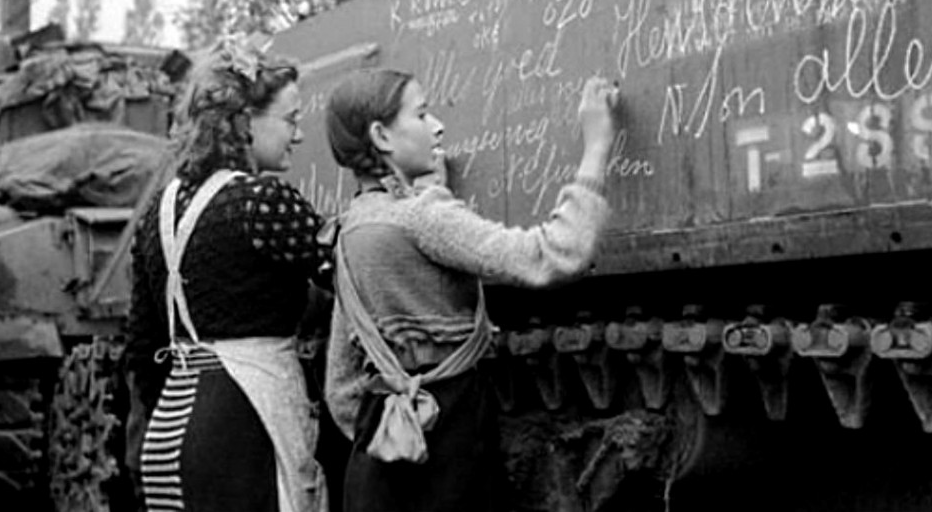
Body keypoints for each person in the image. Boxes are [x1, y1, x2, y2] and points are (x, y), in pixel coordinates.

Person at [323, 68, 619, 512]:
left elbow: (341, 388)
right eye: (421, 114)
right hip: (452, 445)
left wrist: (397, 429)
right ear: (382, 136)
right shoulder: (425, 218)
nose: (437, 125)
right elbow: (557, 254)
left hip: (381, 462)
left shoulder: (349, 231)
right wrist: (596, 147)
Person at [125, 36, 330, 512]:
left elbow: (141, 346)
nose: (298, 136)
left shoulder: (159, 211)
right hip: (248, 420)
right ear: (244, 122)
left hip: (170, 434)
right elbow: (354, 278)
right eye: (291, 120)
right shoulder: (262, 202)